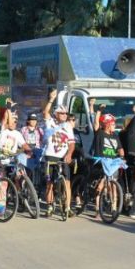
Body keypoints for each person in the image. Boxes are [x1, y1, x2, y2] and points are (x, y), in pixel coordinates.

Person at [42, 89, 76, 218]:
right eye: (61, 113)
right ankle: (50, 205)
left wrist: (69, 154)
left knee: (67, 182)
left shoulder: (68, 126)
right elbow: (45, 112)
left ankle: (67, 207)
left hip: (62, 157)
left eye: (65, 114)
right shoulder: (50, 122)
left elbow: (72, 143)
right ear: (56, 114)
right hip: (50, 156)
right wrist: (51, 99)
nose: (64, 115)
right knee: (49, 183)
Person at [90, 111, 124, 219]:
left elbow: (120, 149)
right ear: (108, 124)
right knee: (101, 184)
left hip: (113, 162)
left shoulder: (115, 135)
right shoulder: (100, 133)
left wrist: (122, 155)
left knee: (113, 186)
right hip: (102, 161)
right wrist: (98, 112)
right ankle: (97, 209)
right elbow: (96, 124)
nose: (115, 126)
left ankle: (113, 208)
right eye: (113, 124)